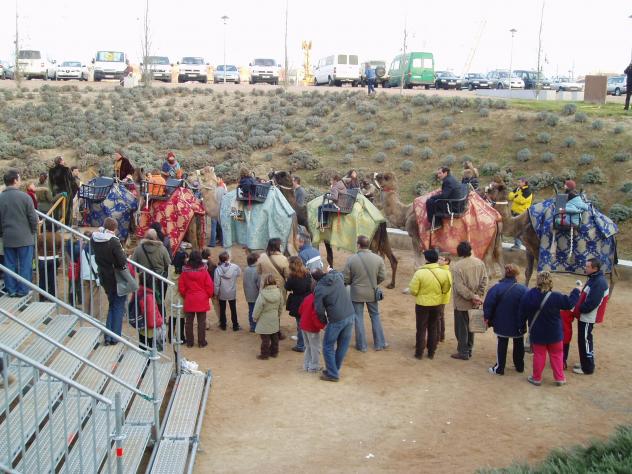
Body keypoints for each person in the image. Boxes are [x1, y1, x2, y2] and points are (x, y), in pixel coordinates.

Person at [519, 271, 580, 386]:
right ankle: (560, 378)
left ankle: (536, 378)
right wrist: (576, 291)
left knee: (539, 355)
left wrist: (521, 326)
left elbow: (522, 312)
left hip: (537, 332)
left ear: (537, 281)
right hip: (555, 332)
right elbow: (570, 303)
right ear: (550, 282)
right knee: (557, 355)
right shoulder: (556, 296)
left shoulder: (529, 295)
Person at [343, 235, 387, 352]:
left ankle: (362, 345)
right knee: (375, 315)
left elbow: (345, 278)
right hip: (372, 291)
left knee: (358, 317)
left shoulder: (351, 259)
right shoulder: (378, 259)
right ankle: (380, 343)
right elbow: (383, 276)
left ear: (358, 245)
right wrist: (374, 283)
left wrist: (353, 283)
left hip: (356, 293)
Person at [484, 264, 529, 375]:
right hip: (518, 323)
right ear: (517, 275)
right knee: (519, 343)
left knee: (502, 343)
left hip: (501, 322)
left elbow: (488, 304)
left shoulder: (496, 288)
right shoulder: (523, 289)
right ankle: (519, 366)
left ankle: (500, 368)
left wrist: (487, 317)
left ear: (505, 273)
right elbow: (528, 305)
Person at [313, 268, 356, 382]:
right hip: (350, 314)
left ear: (315, 279)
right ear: (323, 272)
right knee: (343, 345)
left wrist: (323, 322)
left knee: (327, 345)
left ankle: (332, 373)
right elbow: (338, 272)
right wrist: (330, 270)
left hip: (336, 319)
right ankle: (333, 370)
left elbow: (319, 310)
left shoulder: (319, 288)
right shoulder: (337, 277)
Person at [408, 249, 452, 360]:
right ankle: (431, 352)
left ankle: (419, 353)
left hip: (422, 304)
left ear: (426, 259)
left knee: (421, 328)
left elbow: (413, 290)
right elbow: (446, 289)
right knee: (433, 328)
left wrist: (420, 294)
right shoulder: (443, 272)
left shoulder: (420, 272)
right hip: (437, 304)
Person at [0, 170, 38, 297]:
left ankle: (11, 289)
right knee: (25, 265)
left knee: (9, 265)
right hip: (25, 238)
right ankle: (23, 290)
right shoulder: (25, 197)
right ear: (15, 180)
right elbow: (33, 218)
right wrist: (33, 231)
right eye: (19, 178)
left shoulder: (1, 198)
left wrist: (2, 233)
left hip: (8, 237)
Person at [91, 217, 128, 345]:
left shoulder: (95, 238)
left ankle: (108, 336)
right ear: (115, 228)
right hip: (115, 277)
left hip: (103, 275)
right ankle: (114, 336)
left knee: (112, 304)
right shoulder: (113, 241)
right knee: (118, 305)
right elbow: (122, 261)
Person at [450, 241, 488, 360]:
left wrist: (472, 296)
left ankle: (463, 352)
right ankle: (469, 349)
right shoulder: (480, 263)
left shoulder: (457, 267)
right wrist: (478, 295)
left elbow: (459, 287)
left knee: (461, 328)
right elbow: (485, 280)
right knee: (472, 327)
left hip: (462, 303)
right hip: (475, 302)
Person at [572, 258, 609, 376]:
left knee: (585, 341)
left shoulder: (598, 282)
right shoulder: (594, 279)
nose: (585, 268)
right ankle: (585, 363)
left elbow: (592, 303)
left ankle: (587, 368)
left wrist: (579, 308)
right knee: (584, 340)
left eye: (588, 266)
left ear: (595, 268)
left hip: (588, 317)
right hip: (585, 316)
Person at [178, 250, 214, 348]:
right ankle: (201, 342)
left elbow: (181, 287)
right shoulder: (204, 271)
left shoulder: (185, 272)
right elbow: (209, 286)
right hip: (202, 299)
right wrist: (207, 295)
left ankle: (190, 342)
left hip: (190, 298)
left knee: (189, 322)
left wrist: (186, 295)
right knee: (201, 322)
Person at [131, 228, 171, 304]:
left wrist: (139, 271)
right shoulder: (162, 249)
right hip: (159, 279)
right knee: (159, 301)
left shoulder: (138, 249)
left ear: (145, 237)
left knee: (145, 301)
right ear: (156, 237)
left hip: (144, 279)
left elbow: (133, 264)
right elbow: (168, 264)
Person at [285, 256, 312, 353]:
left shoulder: (292, 277)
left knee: (300, 324)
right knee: (305, 322)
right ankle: (305, 342)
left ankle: (301, 345)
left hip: (298, 302)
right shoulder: (307, 274)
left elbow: (287, 287)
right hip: (308, 300)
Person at [253, 274, 283, 360]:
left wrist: (255, 317)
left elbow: (258, 307)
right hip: (274, 317)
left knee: (265, 338)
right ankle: (274, 352)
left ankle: (264, 355)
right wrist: (278, 315)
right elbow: (281, 306)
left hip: (264, 319)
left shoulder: (262, 294)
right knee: (274, 336)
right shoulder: (279, 292)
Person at [299, 279, 326, 372]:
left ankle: (306, 365)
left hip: (303, 326)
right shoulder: (317, 300)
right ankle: (313, 366)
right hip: (312, 328)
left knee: (308, 347)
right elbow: (315, 317)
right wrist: (323, 326)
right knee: (315, 348)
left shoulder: (308, 297)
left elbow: (300, 310)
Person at [214, 251, 242, 331]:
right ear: (228, 258)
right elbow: (239, 273)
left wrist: (216, 293)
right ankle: (235, 325)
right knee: (233, 309)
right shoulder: (234, 267)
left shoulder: (218, 269)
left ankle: (223, 325)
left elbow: (216, 283)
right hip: (232, 291)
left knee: (222, 309)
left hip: (222, 292)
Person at [256, 238, 289, 303]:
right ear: (279, 246)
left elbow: (258, 271)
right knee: (279, 305)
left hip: (265, 286)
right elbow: (287, 274)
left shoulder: (261, 257)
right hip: (279, 287)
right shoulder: (283, 259)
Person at [133, 282, 164, 350]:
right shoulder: (149, 295)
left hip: (141, 324)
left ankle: (143, 354)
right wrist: (159, 322)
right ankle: (149, 356)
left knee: (142, 343)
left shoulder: (139, 291)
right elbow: (150, 312)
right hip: (149, 326)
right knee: (151, 346)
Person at [48, 156, 78, 225]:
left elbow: (50, 184)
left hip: (56, 193)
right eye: (63, 160)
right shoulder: (66, 170)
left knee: (57, 210)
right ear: (60, 161)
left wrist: (53, 192)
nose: (64, 161)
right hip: (66, 193)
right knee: (67, 211)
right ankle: (66, 226)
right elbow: (72, 182)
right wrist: (73, 192)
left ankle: (57, 225)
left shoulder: (51, 171)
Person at [80, 231, 102, 318]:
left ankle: (85, 313)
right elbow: (95, 263)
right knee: (95, 296)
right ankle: (94, 315)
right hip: (93, 276)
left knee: (86, 295)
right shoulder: (93, 249)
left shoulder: (84, 248)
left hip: (84, 275)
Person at [508, 177, 533, 249]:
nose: (518, 183)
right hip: (514, 212)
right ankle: (517, 244)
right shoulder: (518, 189)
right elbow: (509, 196)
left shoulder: (527, 191)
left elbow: (521, 201)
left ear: (524, 182)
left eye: (519, 182)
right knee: (515, 229)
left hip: (521, 213)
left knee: (519, 230)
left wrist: (514, 196)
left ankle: (521, 245)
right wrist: (515, 196)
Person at [243, 252, 261, 332]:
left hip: (248, 293)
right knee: (256, 310)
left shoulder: (246, 269)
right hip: (256, 294)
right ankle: (255, 326)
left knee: (251, 310)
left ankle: (252, 326)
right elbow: (259, 284)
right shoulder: (257, 270)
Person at [436, 255, 452, 343]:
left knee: (438, 317)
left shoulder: (444, 272)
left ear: (447, 262)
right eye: (439, 258)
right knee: (440, 316)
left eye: (441, 259)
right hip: (442, 298)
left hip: (441, 298)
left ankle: (438, 336)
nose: (439, 260)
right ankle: (441, 336)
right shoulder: (444, 271)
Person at [209, 177, 227, 247]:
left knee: (213, 227)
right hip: (220, 210)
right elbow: (226, 199)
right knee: (221, 227)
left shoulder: (212, 190)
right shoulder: (223, 190)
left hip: (213, 210)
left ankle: (212, 243)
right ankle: (223, 242)